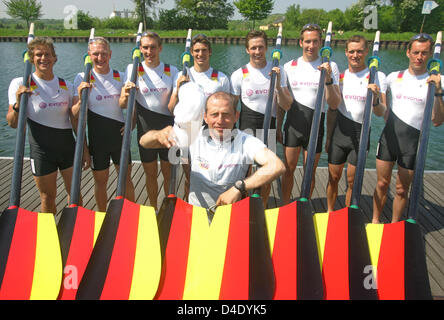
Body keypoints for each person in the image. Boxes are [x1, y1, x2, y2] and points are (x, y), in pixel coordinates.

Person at [139, 91, 286, 209]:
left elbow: (277, 166)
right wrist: (158, 135)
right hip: (197, 213)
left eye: (226, 114)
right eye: (214, 114)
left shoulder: (246, 141)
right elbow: (144, 142)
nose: (220, 121)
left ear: (236, 116)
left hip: (232, 213)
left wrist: (239, 187)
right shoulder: (192, 135)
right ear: (205, 117)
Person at [6, 37, 88, 214]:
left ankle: (75, 231)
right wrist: (18, 103)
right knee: (47, 198)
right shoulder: (21, 84)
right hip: (42, 152)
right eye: (39, 55)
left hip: (67, 148)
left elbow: (75, 118)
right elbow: (12, 123)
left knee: (75, 195)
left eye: (48, 54)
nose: (44, 58)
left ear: (55, 58)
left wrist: (81, 100)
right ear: (32, 58)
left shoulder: (66, 85)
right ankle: (49, 234)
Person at [372, 33, 444, 223]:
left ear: (430, 55)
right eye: (416, 52)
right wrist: (375, 100)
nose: (419, 57)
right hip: (389, 139)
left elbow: (437, 120)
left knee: (402, 189)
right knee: (381, 183)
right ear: (408, 53)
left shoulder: (436, 81)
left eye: (424, 53)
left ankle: (395, 225)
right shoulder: (394, 77)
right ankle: (375, 221)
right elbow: (383, 111)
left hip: (412, 143)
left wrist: (438, 92)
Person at [278, 23, 341, 204]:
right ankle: (284, 205)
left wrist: (328, 78)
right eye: (307, 41)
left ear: (321, 43)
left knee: (309, 172)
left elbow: (334, 103)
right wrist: (280, 127)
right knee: (288, 169)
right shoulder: (289, 66)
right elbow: (282, 103)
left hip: (315, 126)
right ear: (300, 43)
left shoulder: (330, 66)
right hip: (293, 125)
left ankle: (304, 204)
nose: (311, 46)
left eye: (315, 41)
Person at [230, 30, 292, 206]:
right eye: (253, 48)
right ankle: (244, 206)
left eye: (261, 47)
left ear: (267, 48)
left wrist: (279, 84)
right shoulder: (239, 74)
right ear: (247, 50)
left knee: (266, 173)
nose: (257, 51)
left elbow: (286, 105)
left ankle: (262, 208)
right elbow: (232, 107)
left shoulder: (278, 71)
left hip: (269, 127)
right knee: (245, 174)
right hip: (246, 129)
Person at [325, 35, 387, 212]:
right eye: (351, 51)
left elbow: (381, 112)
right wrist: (328, 138)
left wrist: (375, 99)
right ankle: (330, 212)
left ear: (366, 52)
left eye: (359, 51)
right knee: (333, 177)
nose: (355, 55)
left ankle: (347, 214)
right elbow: (332, 109)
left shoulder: (377, 76)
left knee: (352, 181)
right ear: (346, 53)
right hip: (339, 133)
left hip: (361, 135)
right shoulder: (341, 77)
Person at [73, 37, 135, 212]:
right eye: (96, 54)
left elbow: (129, 105)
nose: (100, 58)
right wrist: (80, 97)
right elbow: (74, 115)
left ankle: (130, 213)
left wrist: (132, 123)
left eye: (104, 54)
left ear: (110, 54)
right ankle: (101, 216)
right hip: (97, 140)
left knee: (126, 179)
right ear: (89, 55)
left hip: (119, 137)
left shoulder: (120, 76)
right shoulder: (82, 78)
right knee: (101, 182)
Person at [167, 33, 231, 201]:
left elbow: (229, 110)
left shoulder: (221, 78)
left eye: (203, 50)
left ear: (210, 52)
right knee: (190, 175)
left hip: (212, 131)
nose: (200, 54)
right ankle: (191, 208)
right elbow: (171, 108)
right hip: (189, 130)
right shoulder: (181, 76)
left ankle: (214, 205)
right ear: (191, 53)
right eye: (196, 51)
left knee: (213, 174)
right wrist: (179, 88)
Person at [120, 32, 179, 210]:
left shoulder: (172, 70)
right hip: (145, 130)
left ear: (160, 48)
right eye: (145, 47)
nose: (149, 51)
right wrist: (125, 92)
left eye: (153, 47)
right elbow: (123, 104)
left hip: (168, 130)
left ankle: (169, 209)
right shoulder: (132, 69)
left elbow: (173, 106)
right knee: (150, 175)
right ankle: (153, 208)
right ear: (140, 49)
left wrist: (179, 90)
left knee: (169, 175)